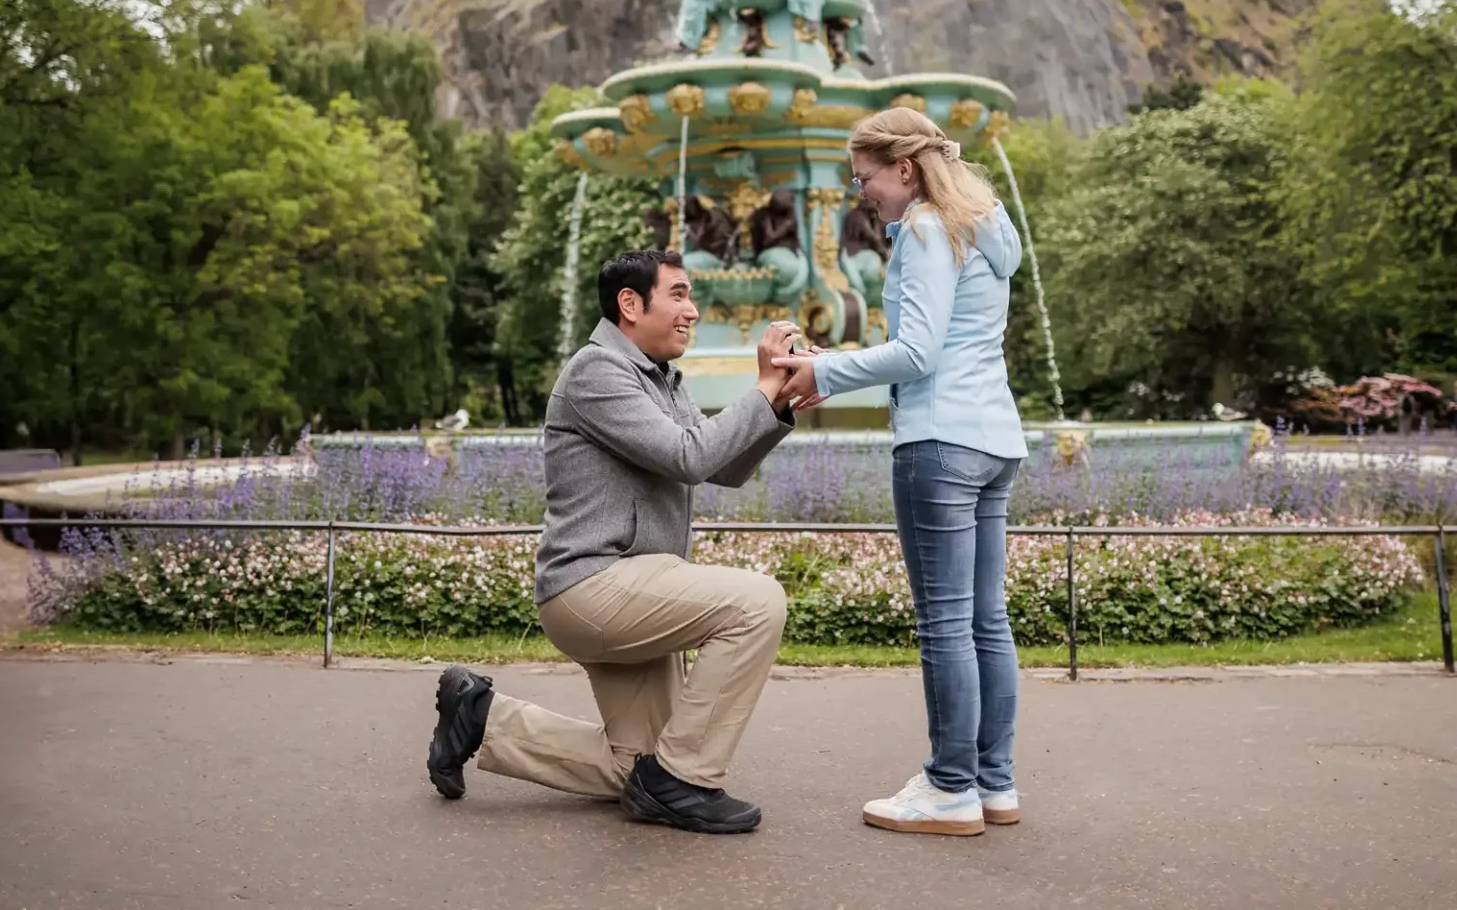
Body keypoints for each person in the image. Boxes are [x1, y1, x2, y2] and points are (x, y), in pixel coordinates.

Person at [425, 250, 823, 834]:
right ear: (631, 305)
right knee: (757, 601)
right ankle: (684, 782)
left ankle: (481, 716)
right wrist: (762, 387)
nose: (692, 310)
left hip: (636, 585)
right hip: (594, 585)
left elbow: (723, 469)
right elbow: (691, 456)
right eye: (680, 295)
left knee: (635, 767)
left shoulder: (658, 376)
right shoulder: (597, 372)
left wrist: (779, 403)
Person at [773, 107, 1027, 838]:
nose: (862, 194)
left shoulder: (923, 228)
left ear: (905, 169)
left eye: (866, 178)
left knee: (946, 624)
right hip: (993, 440)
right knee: (987, 620)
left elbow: (918, 353)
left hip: (939, 442)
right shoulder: (985, 225)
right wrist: (835, 376)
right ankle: (993, 782)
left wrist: (821, 365)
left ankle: (950, 789)